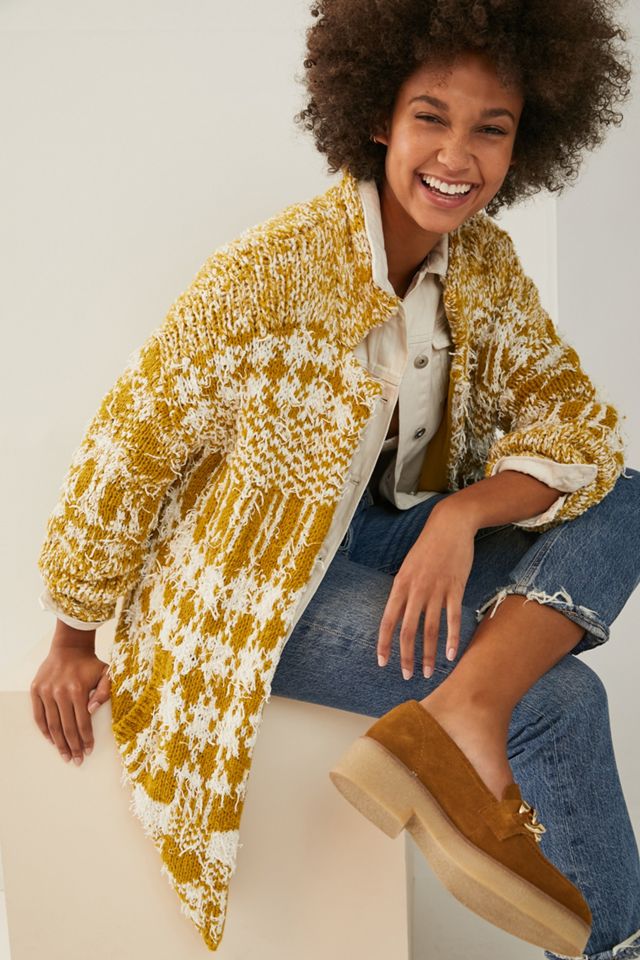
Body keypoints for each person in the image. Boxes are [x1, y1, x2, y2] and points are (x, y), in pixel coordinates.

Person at [31, 0, 640, 956]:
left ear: (526, 142)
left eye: (492, 129)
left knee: (629, 494)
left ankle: (464, 710)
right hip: (261, 587)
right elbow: (130, 443)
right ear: (376, 116)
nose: (458, 156)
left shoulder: (484, 267)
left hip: (398, 542)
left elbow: (579, 428)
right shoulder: (269, 275)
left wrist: (461, 517)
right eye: (431, 116)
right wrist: (73, 634)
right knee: (563, 700)